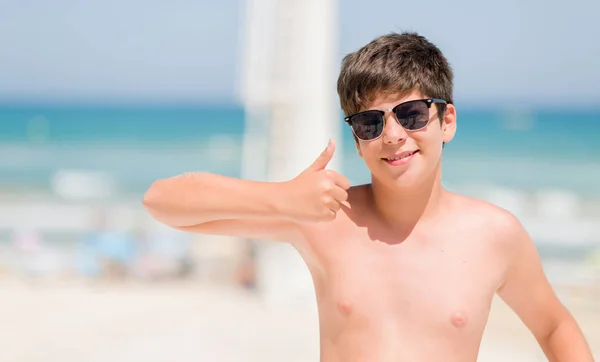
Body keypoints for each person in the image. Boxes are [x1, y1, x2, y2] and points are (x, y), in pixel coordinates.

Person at [142, 32, 594, 361]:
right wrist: (282, 198)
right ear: (358, 142)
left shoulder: (494, 234)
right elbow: (162, 202)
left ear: (447, 121)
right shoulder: (323, 219)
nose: (393, 136)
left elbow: (554, 326)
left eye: (412, 114)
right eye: (370, 123)